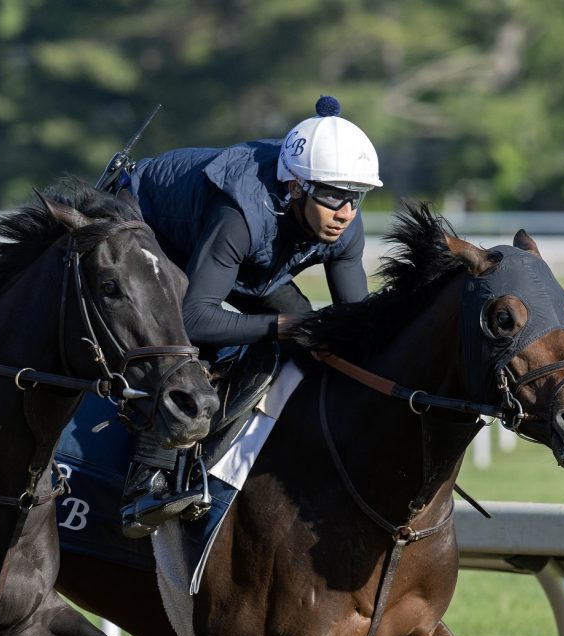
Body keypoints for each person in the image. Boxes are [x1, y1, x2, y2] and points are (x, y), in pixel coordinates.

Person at [113, 95, 382, 538]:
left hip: (252, 252)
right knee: (194, 344)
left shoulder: (343, 224)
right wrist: (281, 328)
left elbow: (357, 325)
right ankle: (146, 484)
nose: (347, 212)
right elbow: (195, 318)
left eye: (357, 196)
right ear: (297, 186)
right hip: (153, 230)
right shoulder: (238, 214)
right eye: (335, 196)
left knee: (311, 331)